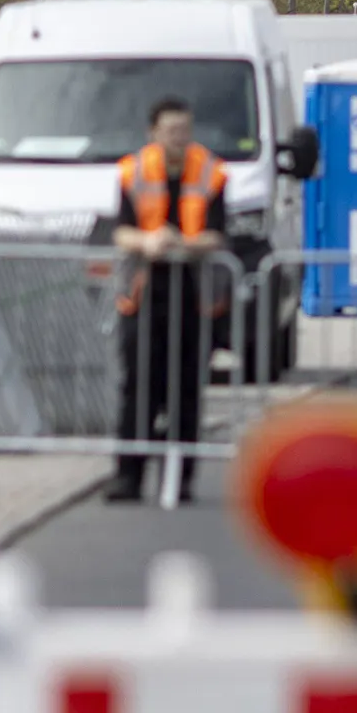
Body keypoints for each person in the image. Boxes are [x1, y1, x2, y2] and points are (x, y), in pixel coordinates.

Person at [105, 97, 229, 503]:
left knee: (186, 391)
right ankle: (128, 477)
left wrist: (183, 244)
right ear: (153, 133)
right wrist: (149, 241)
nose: (180, 137)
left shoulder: (210, 172)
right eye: (172, 130)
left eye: (185, 130)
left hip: (192, 296)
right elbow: (121, 232)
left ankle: (179, 479)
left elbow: (217, 235)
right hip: (144, 295)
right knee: (139, 388)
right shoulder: (134, 171)